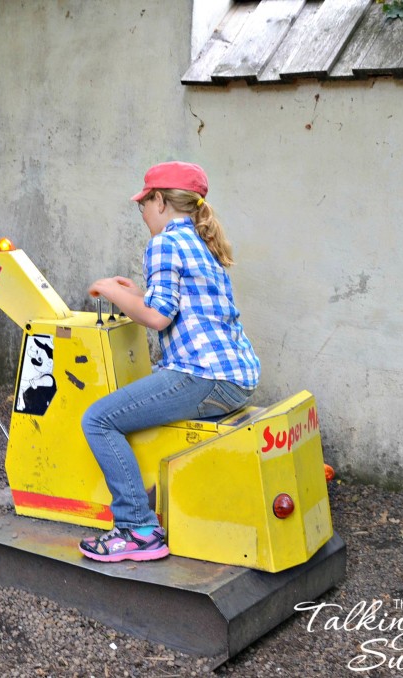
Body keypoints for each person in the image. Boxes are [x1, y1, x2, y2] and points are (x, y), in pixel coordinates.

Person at [78, 161, 261, 563]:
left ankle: (138, 529)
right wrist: (134, 294)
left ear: (159, 201)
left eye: (142, 204)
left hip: (202, 376)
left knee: (98, 419)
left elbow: (158, 317)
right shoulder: (199, 239)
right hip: (237, 378)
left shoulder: (164, 242)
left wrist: (110, 290)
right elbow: (175, 306)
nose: (142, 212)